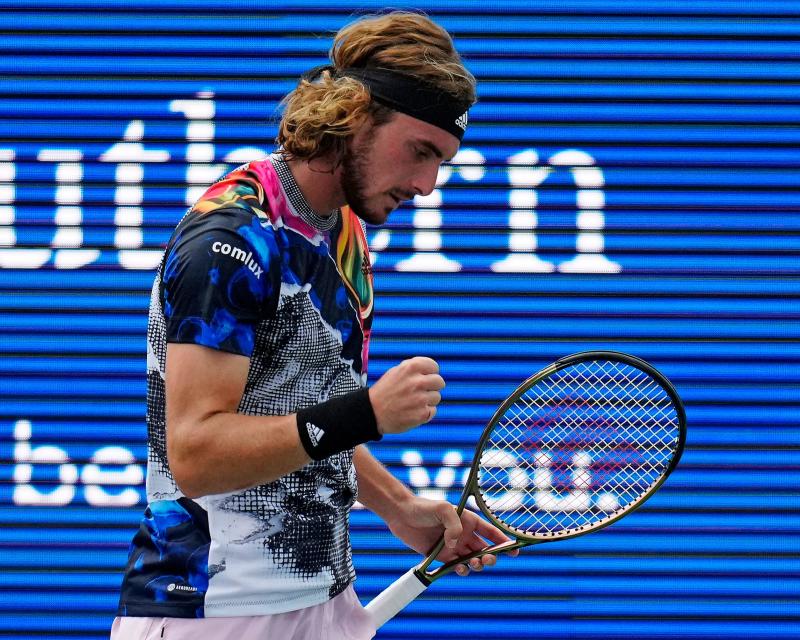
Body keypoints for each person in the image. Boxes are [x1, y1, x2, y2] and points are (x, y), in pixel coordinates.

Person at [111, 11, 508, 639]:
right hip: (213, 611)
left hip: (325, 597)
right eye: (420, 152)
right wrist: (368, 413)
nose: (428, 186)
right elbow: (194, 454)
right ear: (354, 116)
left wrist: (399, 507)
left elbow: (299, 413)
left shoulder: (341, 231)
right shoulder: (232, 240)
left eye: (443, 162)